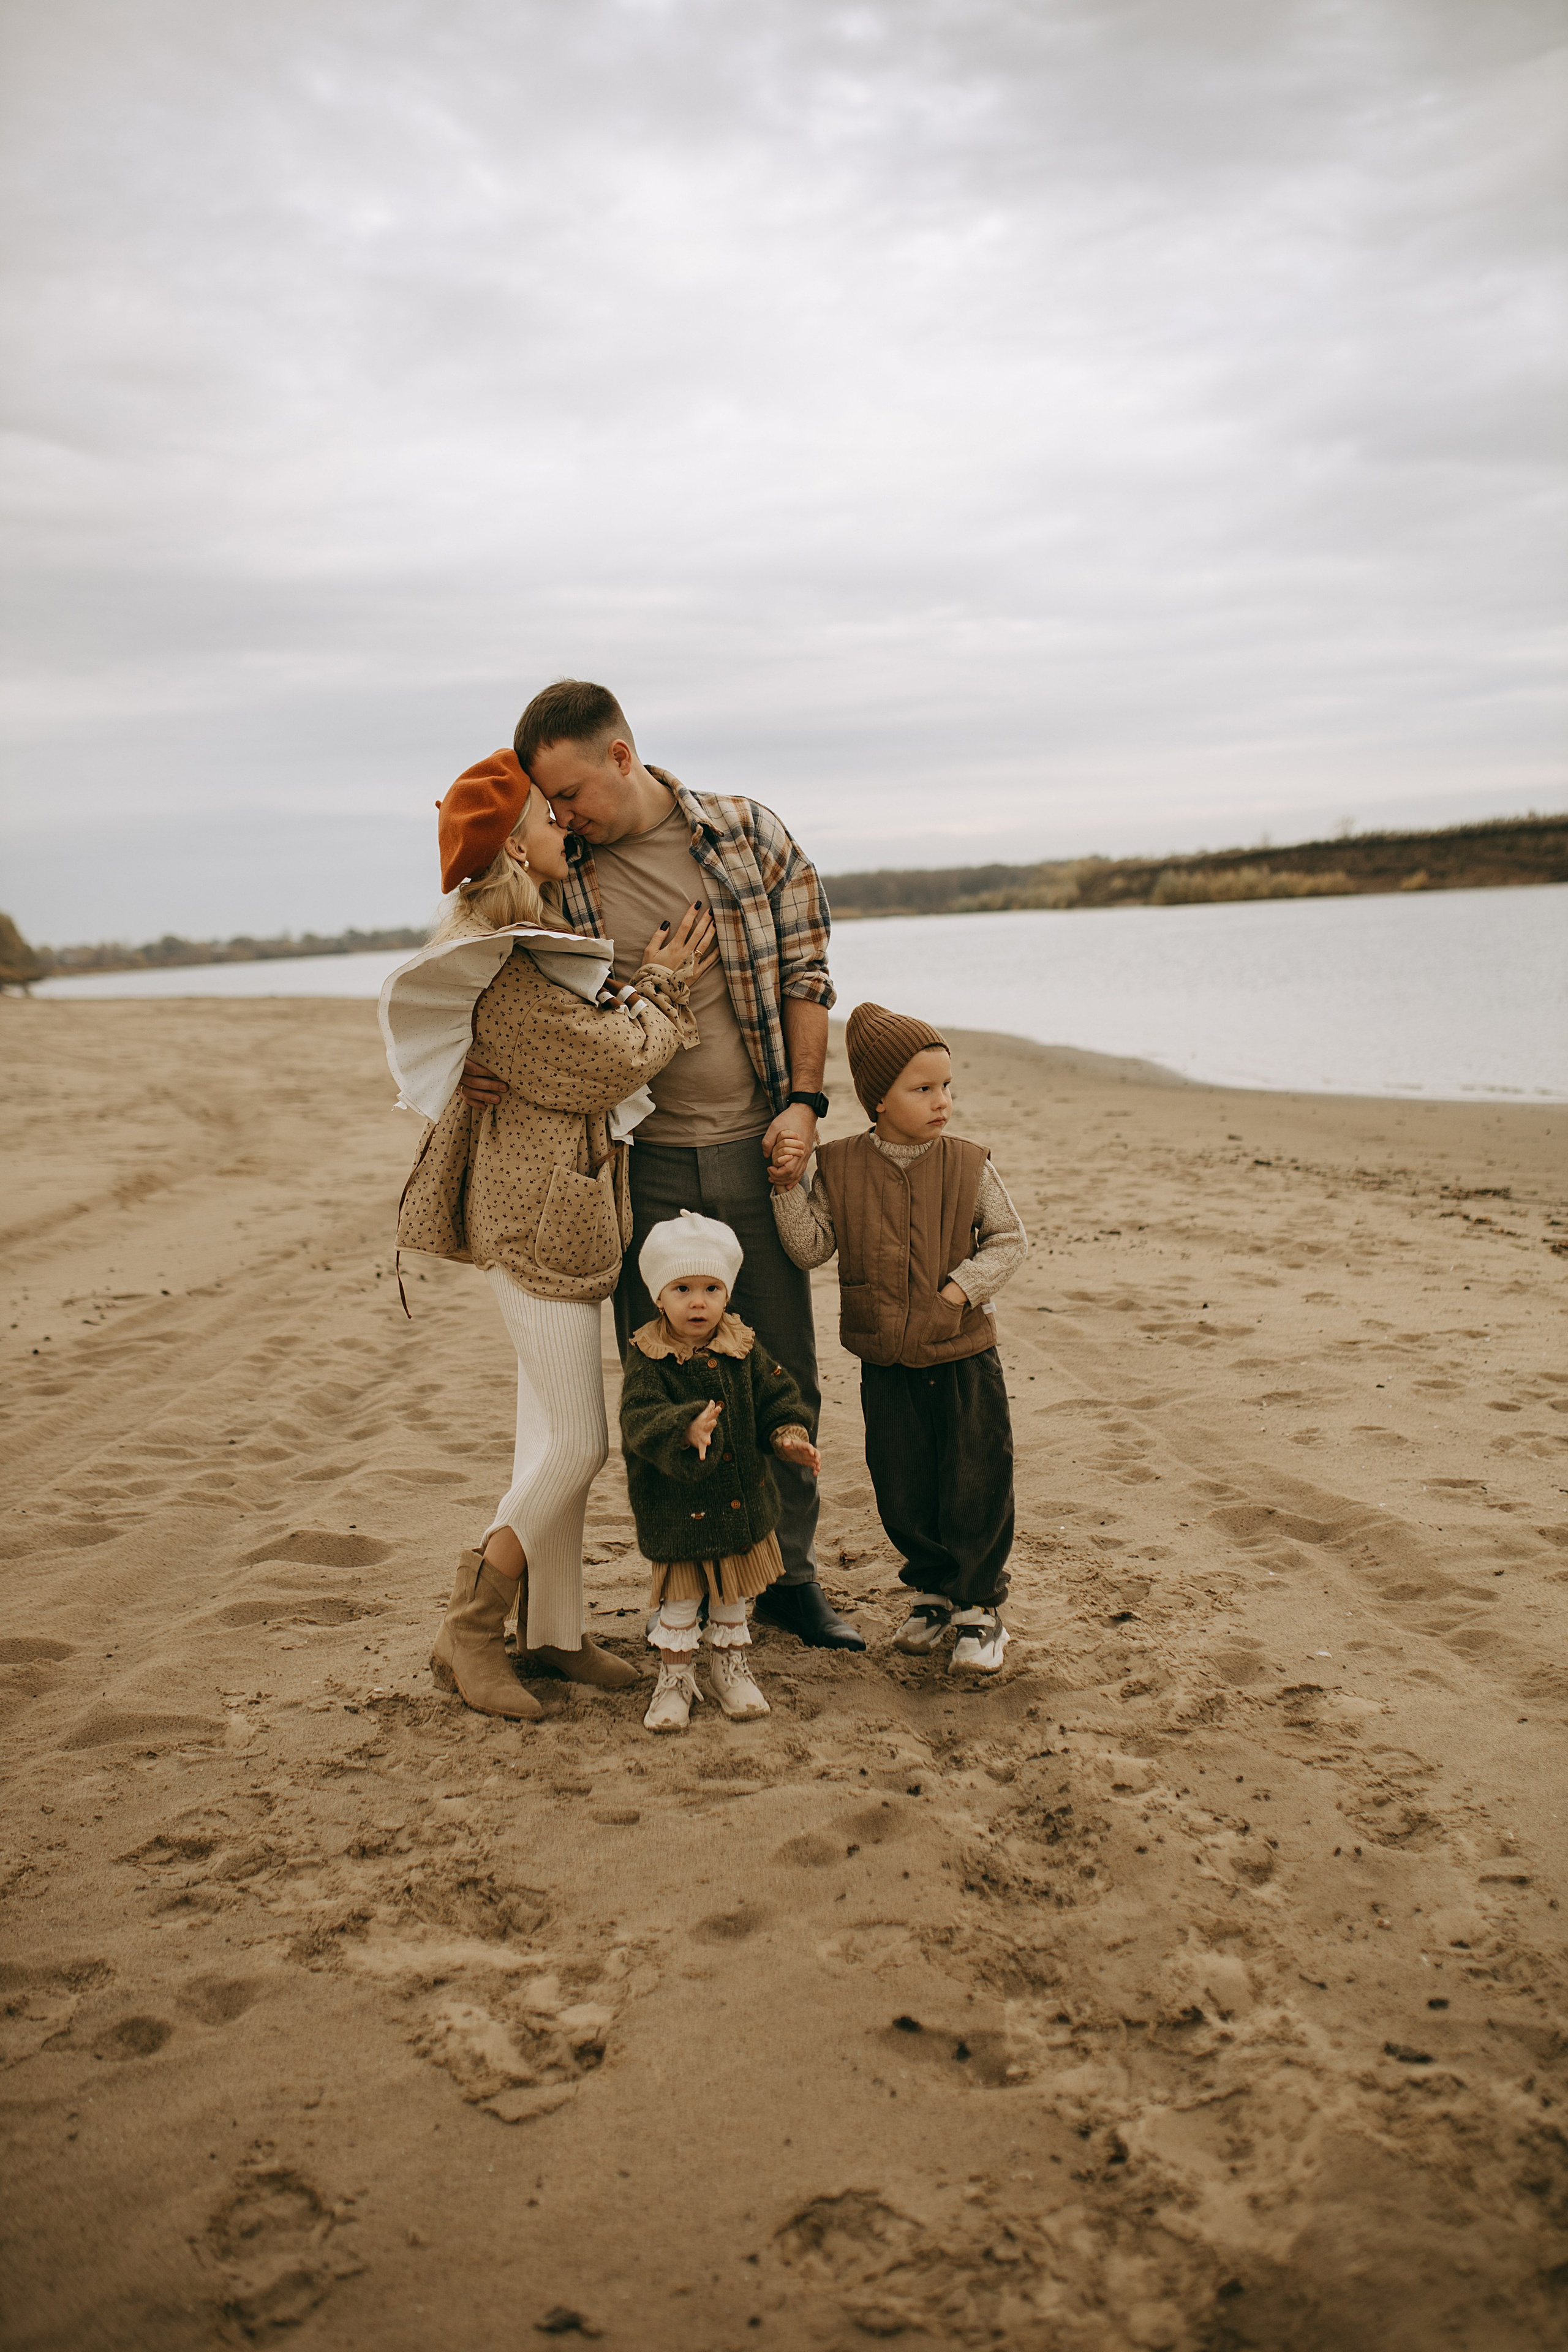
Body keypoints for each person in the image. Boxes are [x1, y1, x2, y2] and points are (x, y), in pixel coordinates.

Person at [459, 677, 862, 1651]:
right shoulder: (563, 868)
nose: (562, 816)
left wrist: (805, 1104)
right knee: (665, 1387)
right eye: (550, 805)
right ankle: (688, 1581)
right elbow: (484, 950)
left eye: (570, 794)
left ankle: (789, 1579)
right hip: (636, 1164)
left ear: (622, 756)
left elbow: (809, 974)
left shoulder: (747, 834)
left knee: (779, 1373)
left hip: (758, 1145)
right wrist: (466, 1051)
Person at [397, 746, 716, 1720]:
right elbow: (608, 1062)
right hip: (535, 1229)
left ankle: (554, 1631)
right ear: (510, 847)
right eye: (545, 816)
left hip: (555, 1219)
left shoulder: (523, 951)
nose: (561, 828)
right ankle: (470, 1629)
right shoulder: (508, 976)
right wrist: (664, 985)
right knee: (579, 1443)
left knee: (546, 1438)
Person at [771, 1002, 1028, 1675]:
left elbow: (1009, 1240)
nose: (942, 1102)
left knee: (975, 1479)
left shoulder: (968, 1163)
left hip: (962, 1355)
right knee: (902, 1484)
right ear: (878, 1099)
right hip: (885, 1359)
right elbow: (809, 1248)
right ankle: (934, 1594)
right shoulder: (839, 1166)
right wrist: (787, 1188)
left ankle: (979, 1608)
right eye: (923, 1089)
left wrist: (957, 1293)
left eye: (946, 1087)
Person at [618, 1212, 820, 1732]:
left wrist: (788, 1435)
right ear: (658, 1296)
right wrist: (683, 1428)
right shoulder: (650, 1356)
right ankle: (675, 1678)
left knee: (732, 1600)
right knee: (681, 1604)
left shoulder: (742, 1346)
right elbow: (638, 1419)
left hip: (738, 1502)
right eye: (682, 1289)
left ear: (727, 1293)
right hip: (677, 1511)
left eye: (711, 1289)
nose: (698, 1303)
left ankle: (729, 1669)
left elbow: (777, 1395)